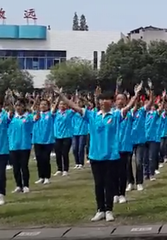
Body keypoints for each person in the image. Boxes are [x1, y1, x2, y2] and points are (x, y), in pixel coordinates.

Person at [55, 83, 141, 222]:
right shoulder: (92, 115)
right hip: (95, 156)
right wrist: (61, 96)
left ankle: (108, 210)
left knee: (109, 184)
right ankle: (100, 209)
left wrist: (136, 94)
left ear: (111, 102)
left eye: (106, 99)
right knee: (98, 184)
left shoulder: (116, 115)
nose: (103, 102)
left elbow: (128, 107)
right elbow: (74, 106)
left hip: (111, 156)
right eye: (101, 100)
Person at [8, 97, 38, 194]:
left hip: (24, 146)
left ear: (24, 107)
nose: (18, 108)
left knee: (24, 166)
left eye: (20, 106)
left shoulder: (28, 117)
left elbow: (37, 117)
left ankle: (26, 185)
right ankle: (18, 185)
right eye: (16, 105)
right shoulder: (12, 117)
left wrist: (34, 106)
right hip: (13, 146)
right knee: (16, 167)